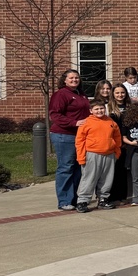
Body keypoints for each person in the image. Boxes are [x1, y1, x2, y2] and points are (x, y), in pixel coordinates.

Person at [49, 70, 91, 211]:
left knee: (78, 168)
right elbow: (54, 115)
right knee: (66, 167)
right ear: (65, 80)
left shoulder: (81, 94)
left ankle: (73, 198)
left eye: (77, 77)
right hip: (64, 135)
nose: (74, 80)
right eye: (71, 78)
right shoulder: (61, 94)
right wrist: (74, 122)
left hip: (79, 136)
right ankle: (64, 201)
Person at [74, 99, 122, 212]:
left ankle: (103, 199)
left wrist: (117, 152)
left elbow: (117, 137)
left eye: (101, 108)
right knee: (89, 178)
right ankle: (82, 201)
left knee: (107, 179)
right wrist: (81, 157)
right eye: (96, 109)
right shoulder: (86, 123)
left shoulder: (110, 122)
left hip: (109, 154)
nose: (99, 111)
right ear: (91, 111)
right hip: (92, 154)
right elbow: (79, 141)